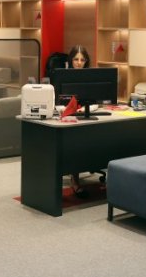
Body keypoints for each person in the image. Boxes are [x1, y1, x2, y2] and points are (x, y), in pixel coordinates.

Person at [67, 44, 91, 197]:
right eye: (76, 59)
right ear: (71, 60)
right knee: (75, 140)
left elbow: (96, 99)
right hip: (68, 115)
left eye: (82, 60)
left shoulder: (91, 77)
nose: (79, 63)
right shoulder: (64, 76)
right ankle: (74, 179)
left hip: (86, 113)